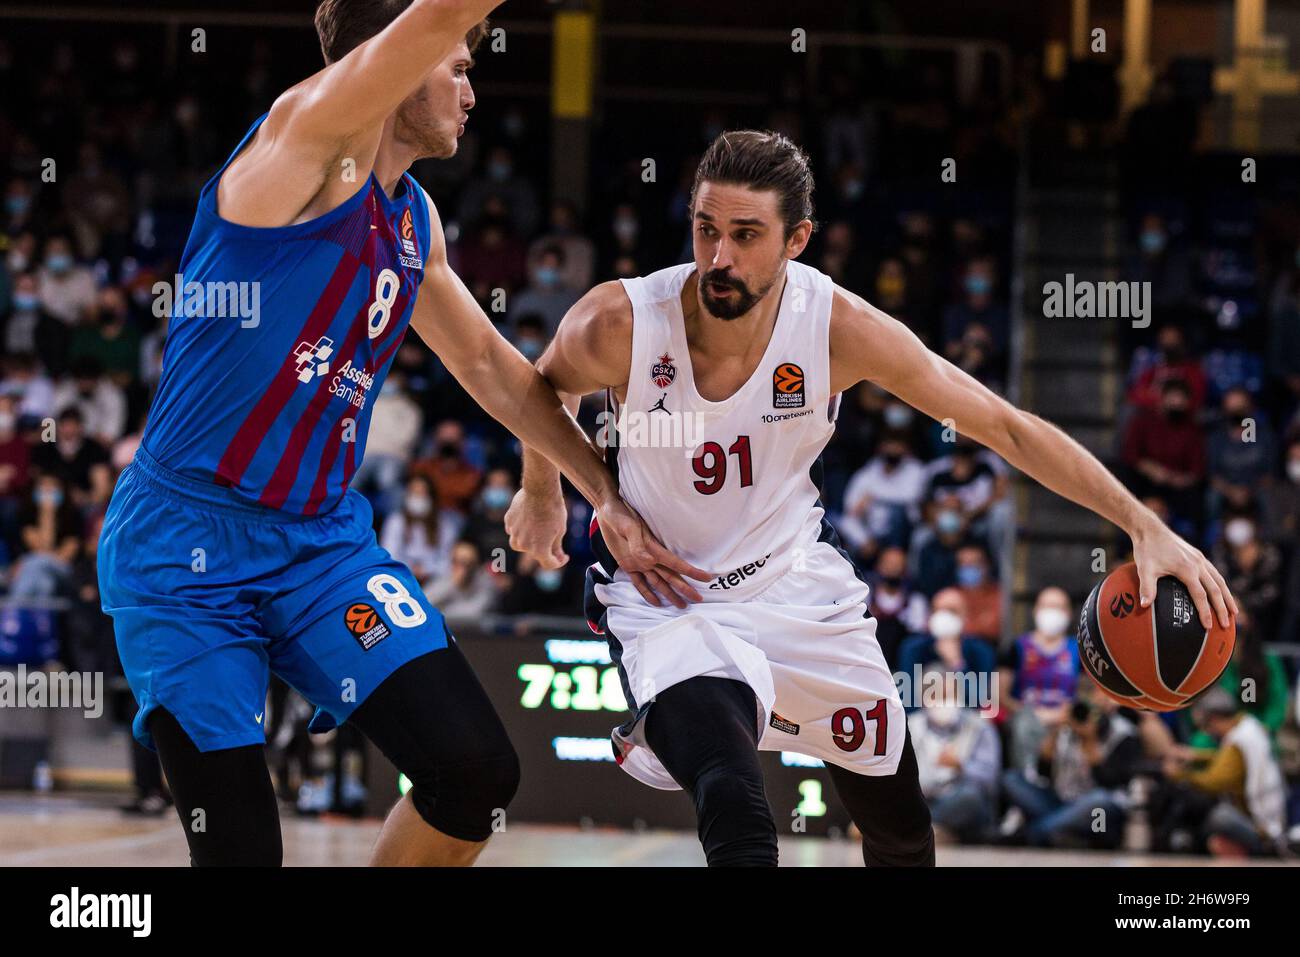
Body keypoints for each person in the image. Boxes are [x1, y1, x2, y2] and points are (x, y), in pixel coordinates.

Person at [506, 130, 1235, 867]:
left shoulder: (837, 328)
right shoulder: (621, 321)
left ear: (797, 240)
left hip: (792, 586)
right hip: (667, 598)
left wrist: (1141, 524)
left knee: (900, 829)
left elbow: (1003, 426)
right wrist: (551, 490)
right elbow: (540, 388)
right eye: (706, 229)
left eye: (745, 235)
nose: (718, 258)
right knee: (734, 798)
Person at [98, 0, 705, 868]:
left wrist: (598, 490)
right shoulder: (300, 146)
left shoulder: (412, 219)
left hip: (317, 544)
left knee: (474, 772)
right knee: (236, 852)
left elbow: (497, 372)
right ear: (394, 59)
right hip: (183, 546)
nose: (471, 87)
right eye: (457, 65)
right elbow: (434, 17)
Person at [909, 665, 1001, 845]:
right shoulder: (911, 726)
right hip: (924, 800)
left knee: (970, 797)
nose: (944, 701)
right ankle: (935, 831)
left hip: (960, 801)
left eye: (949, 695)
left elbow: (991, 781)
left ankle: (911, 829)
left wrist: (961, 766)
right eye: (937, 695)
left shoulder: (980, 727)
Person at [998, 586, 1079, 771]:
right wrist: (1034, 714)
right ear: (1035, 610)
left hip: (1065, 720)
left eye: (1058, 607)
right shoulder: (1016, 648)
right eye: (1046, 606)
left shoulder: (1079, 651)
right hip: (1025, 718)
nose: (1052, 612)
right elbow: (999, 695)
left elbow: (1089, 691)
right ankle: (1026, 778)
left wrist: (1064, 714)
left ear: (1068, 613)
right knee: (1024, 725)